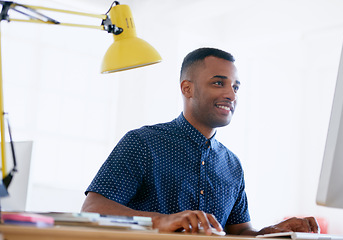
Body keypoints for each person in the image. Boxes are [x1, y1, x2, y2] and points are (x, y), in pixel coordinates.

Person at [81, 47, 319, 236]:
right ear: (187, 88)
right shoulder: (142, 143)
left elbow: (240, 231)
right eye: (219, 83)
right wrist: (163, 221)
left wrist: (272, 233)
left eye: (235, 87)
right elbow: (93, 209)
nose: (232, 95)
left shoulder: (232, 164)